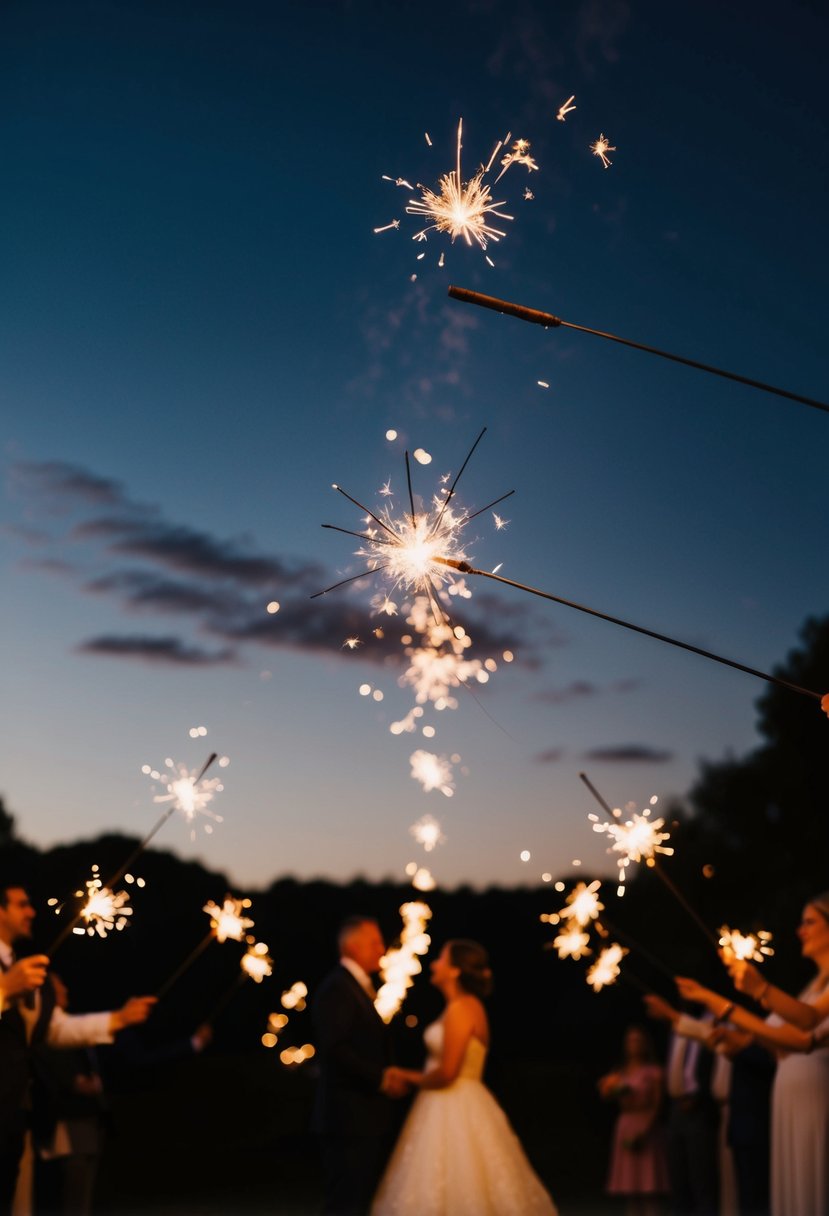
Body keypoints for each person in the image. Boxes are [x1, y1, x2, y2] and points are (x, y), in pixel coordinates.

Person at [0, 877, 156, 1216]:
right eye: (21, 904)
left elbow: (54, 1030)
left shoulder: (22, 968)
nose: (32, 911)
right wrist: (3, 992)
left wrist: (118, 1019)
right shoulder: (13, 978)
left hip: (17, 1114)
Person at [371, 939, 557, 1216]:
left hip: (455, 1104)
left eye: (441, 959)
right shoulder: (459, 1007)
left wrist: (405, 1075)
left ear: (456, 970)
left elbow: (448, 1073)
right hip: (447, 1103)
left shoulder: (462, 1009)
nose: (434, 964)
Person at [676, 892, 829, 1216]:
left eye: (809, 922)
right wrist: (714, 1002)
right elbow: (780, 1040)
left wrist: (757, 990)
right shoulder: (812, 985)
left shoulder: (816, 998)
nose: (800, 929)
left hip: (817, 1096)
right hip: (790, 1099)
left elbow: (806, 1028)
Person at [312, 916, 409, 1216]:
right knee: (345, 1204)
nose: (382, 948)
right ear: (352, 947)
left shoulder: (354, 985)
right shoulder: (337, 988)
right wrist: (380, 1079)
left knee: (358, 1201)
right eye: (374, 942)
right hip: (347, 1118)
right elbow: (335, 1049)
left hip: (361, 1117)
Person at [598, 1023, 669, 1216]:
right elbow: (607, 1095)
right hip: (626, 1125)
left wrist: (645, 1130)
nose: (633, 1045)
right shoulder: (620, 1072)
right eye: (630, 1040)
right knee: (631, 1190)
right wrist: (611, 1090)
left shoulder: (653, 1072)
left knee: (649, 1188)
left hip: (646, 1125)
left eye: (637, 1040)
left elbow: (657, 1103)